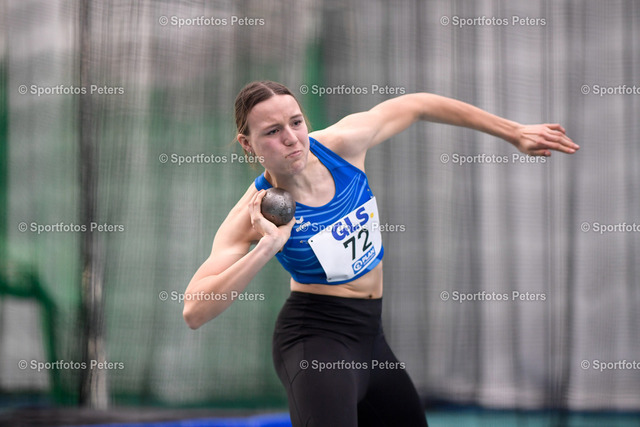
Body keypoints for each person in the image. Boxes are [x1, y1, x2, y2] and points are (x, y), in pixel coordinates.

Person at [183, 81, 579, 426]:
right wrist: (267, 247)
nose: (292, 138)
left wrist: (514, 132)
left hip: (372, 336)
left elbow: (417, 105)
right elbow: (194, 311)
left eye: (296, 122)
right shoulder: (252, 213)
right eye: (272, 131)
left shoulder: (342, 145)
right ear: (247, 144)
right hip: (317, 340)